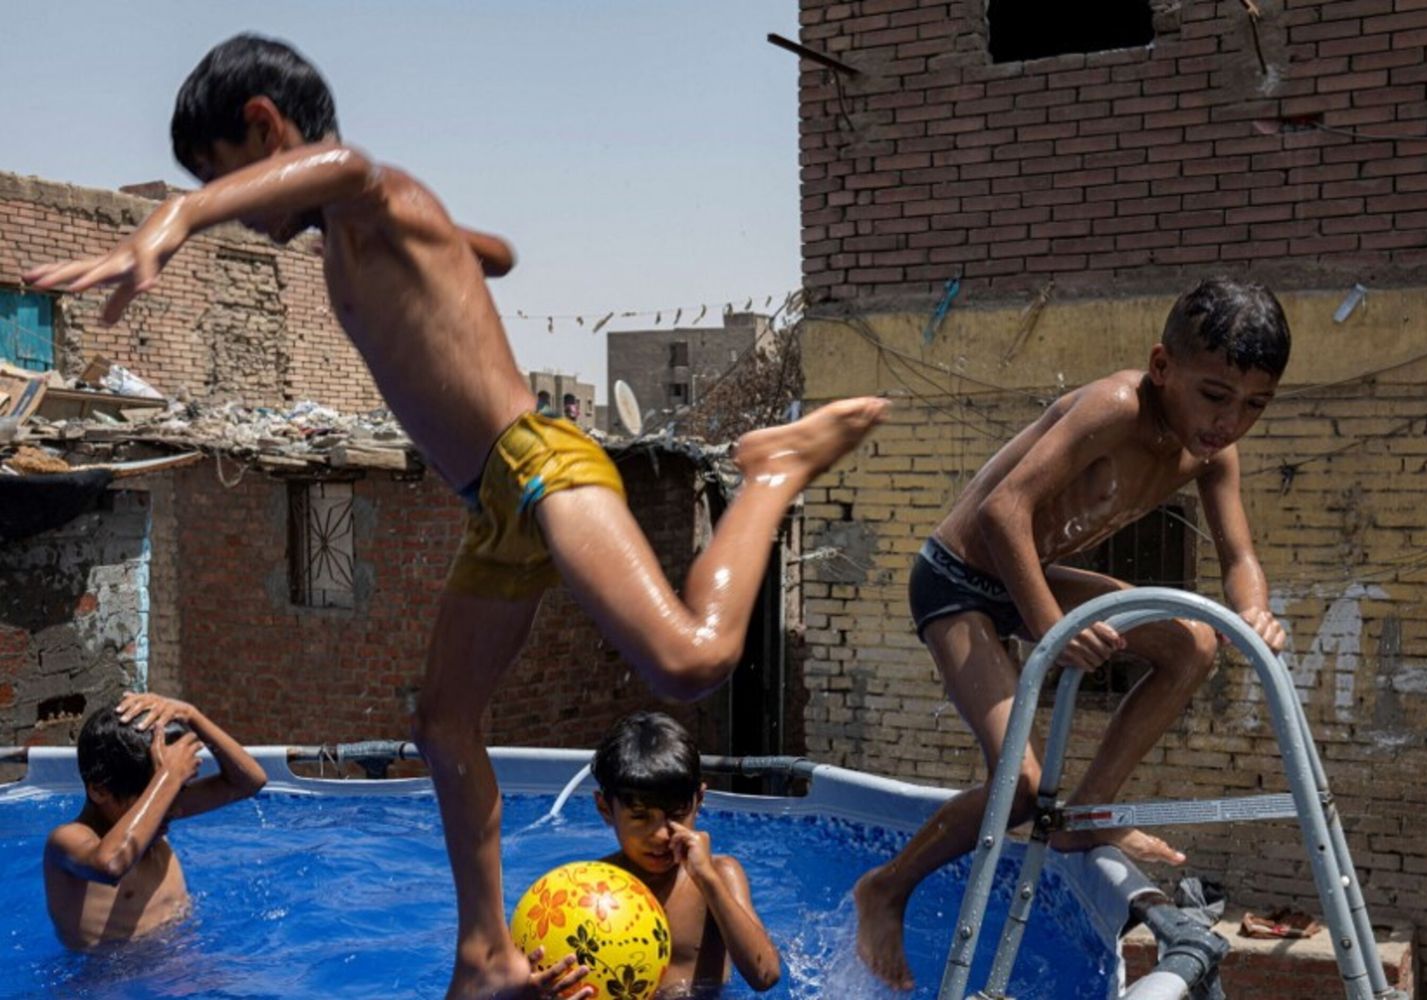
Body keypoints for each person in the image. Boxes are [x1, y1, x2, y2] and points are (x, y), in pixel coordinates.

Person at [24, 35, 883, 999]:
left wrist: (174, 219)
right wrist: (468, 252)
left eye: (223, 177)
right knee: (442, 722)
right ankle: (483, 953)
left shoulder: (365, 200)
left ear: (266, 128)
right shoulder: (372, 234)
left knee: (688, 660)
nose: (239, 216)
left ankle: (772, 470)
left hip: (540, 461)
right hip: (492, 501)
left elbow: (348, 165)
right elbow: (502, 253)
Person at [852, 277, 1291, 989]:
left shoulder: (1211, 454)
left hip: (1033, 575)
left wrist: (1254, 610)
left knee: (1193, 644)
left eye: (1255, 406)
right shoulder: (1113, 408)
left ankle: (1086, 812)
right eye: (1215, 396)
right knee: (1019, 789)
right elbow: (1003, 510)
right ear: (1161, 367)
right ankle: (887, 887)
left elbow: (1238, 557)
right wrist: (1050, 629)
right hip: (960, 577)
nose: (1229, 421)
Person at [43, 693, 267, 950]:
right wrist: (169, 777)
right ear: (99, 790)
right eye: (156, 794)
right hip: (113, 982)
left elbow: (249, 782)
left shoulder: (162, 806)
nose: (167, 808)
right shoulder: (67, 840)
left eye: (173, 791)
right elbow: (111, 864)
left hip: (185, 959)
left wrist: (192, 715)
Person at [592, 712, 780, 996]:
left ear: (699, 800)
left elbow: (765, 974)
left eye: (677, 814)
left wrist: (706, 878)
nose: (661, 836)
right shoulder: (590, 887)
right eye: (641, 817)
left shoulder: (719, 875)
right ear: (606, 809)